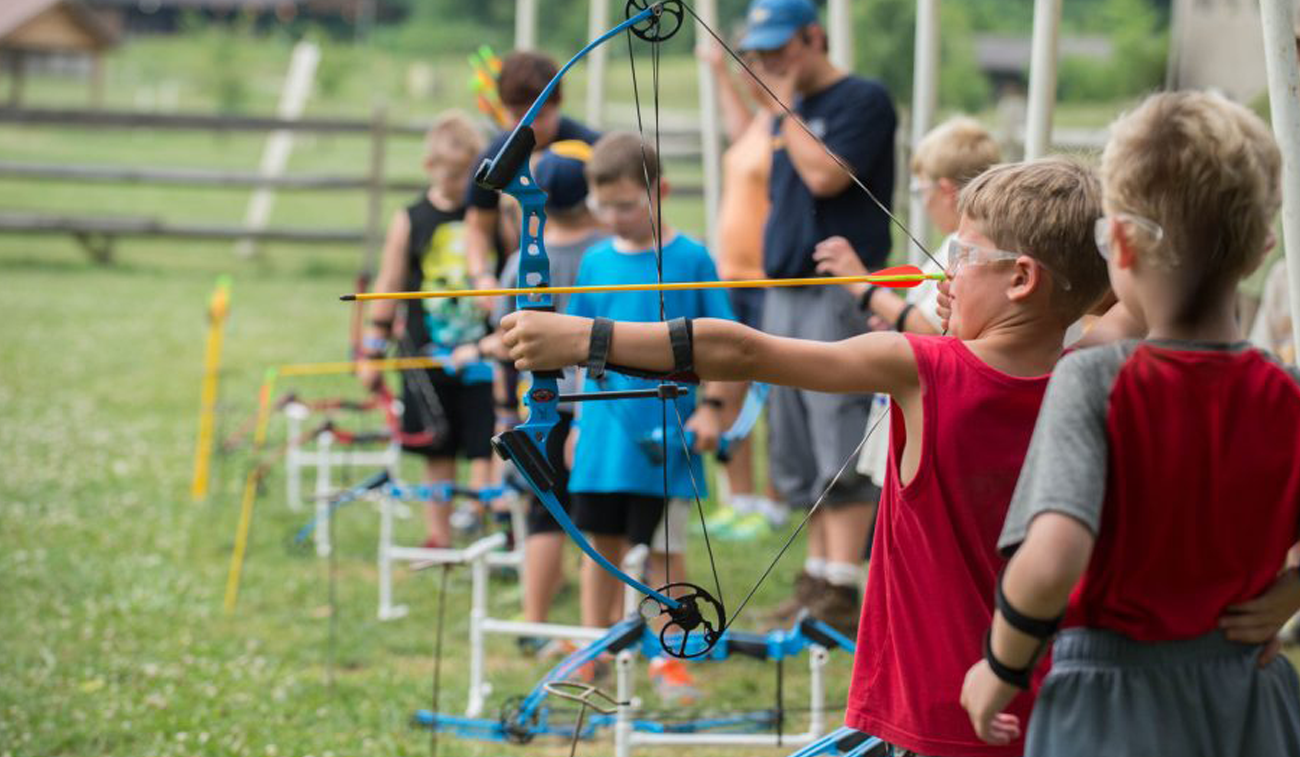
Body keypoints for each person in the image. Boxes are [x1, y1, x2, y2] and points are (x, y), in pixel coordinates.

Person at [498, 156, 1111, 755]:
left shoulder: (923, 368)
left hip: (938, 713)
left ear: (1022, 279)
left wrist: (584, 337)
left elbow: (743, 353)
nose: (943, 280)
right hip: (1048, 706)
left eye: (962, 257)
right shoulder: (1101, 378)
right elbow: (1120, 299)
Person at [961, 92, 1300, 756]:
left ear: (1117, 240)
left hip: (1112, 705)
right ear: (1261, 249)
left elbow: (1054, 556)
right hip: (1252, 701)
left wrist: (999, 668)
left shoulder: (1095, 380)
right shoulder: (1284, 392)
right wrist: (1290, 593)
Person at [737, 0, 899, 634]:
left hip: (838, 289)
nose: (771, 64)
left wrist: (781, 110)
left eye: (779, 50)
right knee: (797, 437)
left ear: (814, 37)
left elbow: (828, 176)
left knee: (840, 430)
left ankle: (843, 585)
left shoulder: (861, 99)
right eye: (762, 54)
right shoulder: (790, 112)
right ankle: (818, 581)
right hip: (784, 288)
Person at [563, 132, 741, 699]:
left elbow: (730, 344)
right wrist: (568, 421)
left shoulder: (691, 258)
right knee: (601, 545)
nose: (613, 217)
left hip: (668, 439)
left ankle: (671, 654)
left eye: (626, 204)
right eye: (602, 206)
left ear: (659, 191)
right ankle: (594, 647)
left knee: (666, 551)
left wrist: (713, 410)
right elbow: (570, 344)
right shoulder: (594, 262)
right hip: (601, 439)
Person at [814, 117, 1002, 491]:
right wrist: (895, 321)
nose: (923, 200)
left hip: (927, 419)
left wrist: (862, 284)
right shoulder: (956, 247)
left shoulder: (963, 250)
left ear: (946, 191)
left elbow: (931, 330)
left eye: (920, 190)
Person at [483, 141, 609, 635]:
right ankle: (595, 627)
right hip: (595, 399)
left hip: (542, 404)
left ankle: (536, 623)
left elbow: (502, 339)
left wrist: (500, 407)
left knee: (544, 510)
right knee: (595, 517)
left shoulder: (520, 261)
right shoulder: (606, 251)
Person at [359, 110, 495, 548]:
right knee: (437, 447)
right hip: (425, 352)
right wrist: (373, 351)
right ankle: (438, 536)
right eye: (451, 175)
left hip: (482, 352)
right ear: (429, 168)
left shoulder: (491, 215)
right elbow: (390, 284)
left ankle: (479, 520)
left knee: (485, 441)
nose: (459, 186)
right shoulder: (411, 218)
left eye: (467, 176)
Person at [698, 40, 788, 540]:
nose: (749, 75)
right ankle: (740, 496)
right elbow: (737, 134)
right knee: (724, 382)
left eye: (756, 66)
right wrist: (719, 74)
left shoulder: (788, 122)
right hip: (731, 271)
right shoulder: (758, 122)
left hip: (767, 274)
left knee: (771, 387)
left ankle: (774, 498)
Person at [463, 51, 600, 301]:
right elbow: (478, 228)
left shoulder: (592, 149)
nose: (531, 127)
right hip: (520, 286)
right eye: (519, 117)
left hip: (588, 280)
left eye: (541, 115)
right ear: (502, 110)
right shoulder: (493, 160)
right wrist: (482, 277)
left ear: (559, 103)